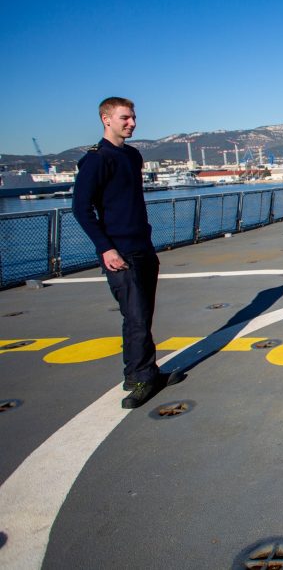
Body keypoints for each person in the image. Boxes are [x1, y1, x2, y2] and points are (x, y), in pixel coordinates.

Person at [72, 97, 174, 410]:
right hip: (120, 252)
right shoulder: (97, 159)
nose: (131, 123)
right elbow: (81, 208)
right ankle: (142, 378)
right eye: (125, 118)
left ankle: (141, 372)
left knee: (143, 314)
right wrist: (106, 248)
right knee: (135, 316)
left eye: (133, 117)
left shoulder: (132, 155)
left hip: (143, 246)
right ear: (106, 119)